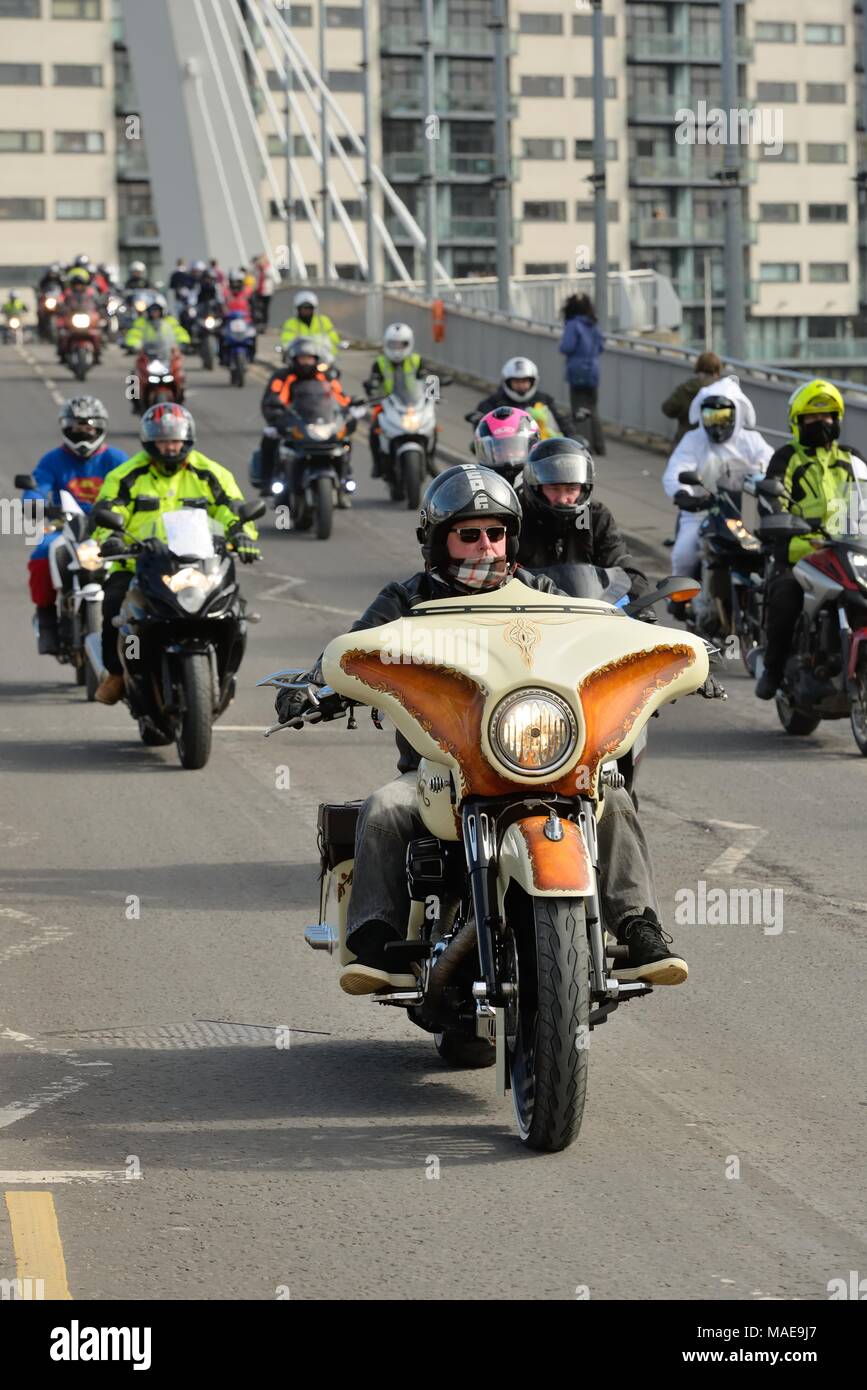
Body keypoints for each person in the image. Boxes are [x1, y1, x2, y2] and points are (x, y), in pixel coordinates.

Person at [274, 463, 689, 995]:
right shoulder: (407, 600)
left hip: (541, 756)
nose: (485, 547)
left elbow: (597, 634)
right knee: (384, 807)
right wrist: (314, 685)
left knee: (611, 789)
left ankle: (639, 927)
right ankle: (373, 938)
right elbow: (354, 648)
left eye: (495, 534)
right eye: (469, 535)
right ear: (439, 541)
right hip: (443, 769)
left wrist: (651, 657)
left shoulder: (538, 591)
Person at [90, 403, 261, 705]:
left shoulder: (210, 473)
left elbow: (233, 509)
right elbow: (107, 510)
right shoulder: (126, 475)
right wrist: (112, 538)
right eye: (162, 441)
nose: (169, 447)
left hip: (198, 564)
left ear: (187, 440)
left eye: (175, 440)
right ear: (149, 442)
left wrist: (243, 537)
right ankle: (116, 673)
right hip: (138, 563)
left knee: (234, 610)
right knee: (114, 605)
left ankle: (224, 674)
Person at [756, 380, 867, 700]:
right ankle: (774, 672)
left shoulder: (851, 458)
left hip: (847, 549)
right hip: (800, 553)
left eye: (828, 417)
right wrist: (782, 520)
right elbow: (772, 497)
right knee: (784, 597)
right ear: (798, 422)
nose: (821, 424)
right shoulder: (786, 458)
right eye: (812, 419)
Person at [23, 398, 127, 654]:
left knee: (134, 562)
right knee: (40, 553)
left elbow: (131, 489)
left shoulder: (116, 458)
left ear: (100, 428)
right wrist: (36, 504)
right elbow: (36, 489)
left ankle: (131, 621)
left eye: (89, 427)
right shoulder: (52, 460)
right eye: (77, 427)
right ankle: (46, 616)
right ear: (66, 428)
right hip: (64, 527)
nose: (83, 432)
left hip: (106, 528)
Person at [662, 375, 773, 582]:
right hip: (702, 512)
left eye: (722, 417)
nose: (716, 424)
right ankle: (680, 598)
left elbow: (770, 466)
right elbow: (677, 469)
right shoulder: (693, 440)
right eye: (711, 417)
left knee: (769, 555)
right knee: (684, 553)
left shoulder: (752, 441)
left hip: (744, 514)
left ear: (736, 415)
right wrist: (681, 493)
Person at [517, 436, 649, 600]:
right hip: (527, 611)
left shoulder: (595, 515)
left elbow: (621, 562)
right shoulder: (517, 516)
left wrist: (643, 608)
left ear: (584, 488)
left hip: (587, 613)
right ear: (535, 486)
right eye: (554, 488)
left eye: (571, 489)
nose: (563, 498)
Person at [257, 336, 353, 494]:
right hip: (294, 424)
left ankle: (345, 476)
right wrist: (277, 417)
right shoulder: (283, 376)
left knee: (345, 440)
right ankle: (268, 481)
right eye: (302, 358)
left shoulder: (326, 376)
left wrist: (352, 407)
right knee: (270, 438)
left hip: (321, 423)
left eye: (309, 358)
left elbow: (342, 398)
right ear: (294, 359)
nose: (306, 362)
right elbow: (271, 399)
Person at [365, 323, 430, 478]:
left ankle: (430, 459)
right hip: (387, 404)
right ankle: (378, 464)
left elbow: (428, 379)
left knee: (432, 427)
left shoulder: (417, 361)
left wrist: (433, 394)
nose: (397, 349)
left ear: (409, 343)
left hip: (412, 404)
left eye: (401, 344)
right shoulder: (379, 363)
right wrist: (372, 389)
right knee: (374, 429)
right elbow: (372, 382)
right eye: (393, 344)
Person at [473, 356, 580, 440]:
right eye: (516, 381)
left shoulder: (544, 400)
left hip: (543, 451)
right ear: (507, 382)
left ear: (532, 381)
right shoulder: (493, 403)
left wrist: (572, 436)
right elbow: (483, 424)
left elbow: (559, 419)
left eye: (524, 381)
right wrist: (478, 434)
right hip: (507, 453)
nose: (521, 385)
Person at [560, 293, 606, 455]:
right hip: (593, 371)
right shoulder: (594, 324)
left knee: (579, 411)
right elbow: (601, 347)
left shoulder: (573, 325)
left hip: (577, 371)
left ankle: (585, 447)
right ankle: (600, 445)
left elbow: (566, 347)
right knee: (593, 409)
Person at [661, 352, 723, 446]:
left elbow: (667, 409)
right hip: (713, 445)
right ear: (717, 370)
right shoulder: (722, 390)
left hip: (686, 442)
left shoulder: (685, 389)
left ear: (698, 367)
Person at [472, 406, 540, 486]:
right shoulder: (480, 486)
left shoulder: (546, 485)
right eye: (499, 449)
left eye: (514, 447)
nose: (508, 454)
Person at [124, 292, 190, 354]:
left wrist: (182, 343)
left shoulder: (170, 321)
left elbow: (179, 332)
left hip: (166, 354)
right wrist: (134, 346)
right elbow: (134, 335)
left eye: (157, 310)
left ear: (162, 311)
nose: (155, 313)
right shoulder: (141, 322)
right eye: (152, 310)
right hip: (147, 354)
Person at [279, 289, 340, 355]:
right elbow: (287, 343)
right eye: (304, 308)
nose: (307, 311)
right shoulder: (290, 323)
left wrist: (330, 355)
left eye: (309, 308)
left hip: (321, 357)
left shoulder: (323, 321)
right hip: (300, 358)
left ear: (314, 309)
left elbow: (334, 340)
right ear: (298, 309)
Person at [253, 253, 277, 327]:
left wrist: (264, 270)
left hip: (267, 292)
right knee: (257, 308)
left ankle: (264, 324)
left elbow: (274, 278)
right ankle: (258, 322)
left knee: (265, 309)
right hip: (258, 291)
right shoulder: (256, 269)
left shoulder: (269, 269)